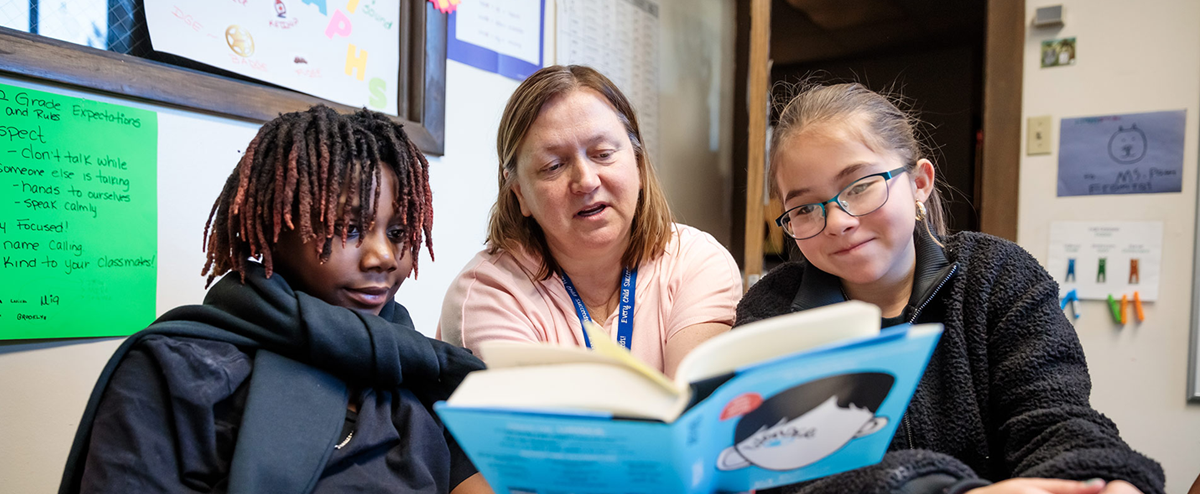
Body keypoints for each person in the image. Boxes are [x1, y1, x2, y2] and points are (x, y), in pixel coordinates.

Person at [736, 83, 1164, 494]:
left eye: (861, 186)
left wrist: (1102, 478)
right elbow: (792, 477)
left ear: (919, 182)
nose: (839, 221)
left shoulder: (996, 276)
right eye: (806, 208)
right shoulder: (771, 311)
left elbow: (1054, 419)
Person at [59, 106, 492, 494]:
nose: (382, 257)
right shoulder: (175, 368)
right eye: (349, 230)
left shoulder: (421, 374)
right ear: (274, 230)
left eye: (397, 234)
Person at [438, 65, 741, 378]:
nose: (585, 181)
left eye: (603, 153)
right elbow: (539, 427)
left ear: (638, 165)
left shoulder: (695, 261)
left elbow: (693, 411)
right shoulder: (490, 292)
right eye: (553, 166)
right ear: (520, 194)